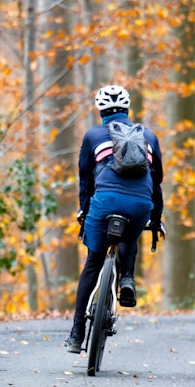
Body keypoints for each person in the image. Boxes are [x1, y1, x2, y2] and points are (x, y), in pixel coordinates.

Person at [65, 84, 165, 354]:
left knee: (93, 262)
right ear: (127, 109)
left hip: (104, 200)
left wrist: (84, 211)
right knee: (130, 235)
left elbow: (85, 180)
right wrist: (155, 218)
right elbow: (156, 183)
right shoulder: (149, 136)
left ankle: (76, 333)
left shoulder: (92, 135)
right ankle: (127, 279)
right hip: (140, 203)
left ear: (100, 111)